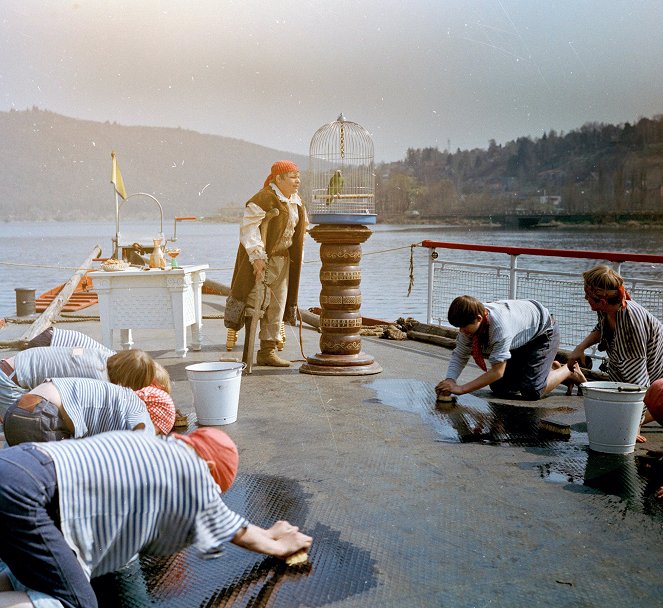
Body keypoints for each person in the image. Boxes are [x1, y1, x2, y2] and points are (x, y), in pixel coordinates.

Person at [0, 428, 312, 607]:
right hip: (24, 493)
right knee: (76, 602)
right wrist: (281, 544)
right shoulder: (191, 472)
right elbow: (238, 532)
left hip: (18, 466)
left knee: (34, 572)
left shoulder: (149, 444)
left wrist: (271, 531)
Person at [224, 160, 308, 367]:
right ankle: (247, 354)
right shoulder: (264, 198)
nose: (297, 181)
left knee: (276, 306)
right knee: (255, 303)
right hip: (262, 261)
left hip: (283, 260)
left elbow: (300, 230)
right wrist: (257, 256)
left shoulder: (296, 201)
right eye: (292, 176)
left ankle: (267, 352)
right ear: (278, 179)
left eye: (298, 176)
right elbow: (249, 228)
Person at [567, 264, 663, 441]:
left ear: (602, 301)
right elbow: (601, 328)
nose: (585, 298)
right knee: (616, 413)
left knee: (648, 402)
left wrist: (634, 426)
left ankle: (637, 420)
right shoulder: (608, 310)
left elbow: (638, 381)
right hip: (640, 373)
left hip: (657, 374)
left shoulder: (630, 321)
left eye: (588, 296)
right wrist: (580, 348)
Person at [436, 295, 586, 401]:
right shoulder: (471, 318)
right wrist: (451, 380)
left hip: (544, 332)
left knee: (532, 391)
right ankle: (546, 369)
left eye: (463, 327)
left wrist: (461, 389)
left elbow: (497, 371)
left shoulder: (499, 327)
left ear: (479, 318)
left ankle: (568, 371)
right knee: (499, 387)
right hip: (520, 337)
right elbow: (460, 354)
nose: (461, 331)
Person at [0, 347, 169, 421]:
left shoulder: (104, 356)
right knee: (21, 427)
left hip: (12, 366)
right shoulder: (96, 378)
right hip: (10, 381)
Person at [2, 377, 175, 445]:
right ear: (155, 416)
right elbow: (145, 447)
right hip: (43, 418)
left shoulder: (116, 394)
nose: (158, 435)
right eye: (161, 430)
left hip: (17, 411)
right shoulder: (139, 410)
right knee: (59, 481)